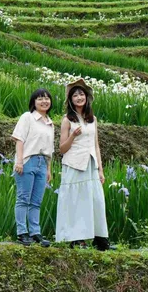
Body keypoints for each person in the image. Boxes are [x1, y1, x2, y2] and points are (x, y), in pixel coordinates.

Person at [56, 79, 110, 249]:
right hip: (74, 164)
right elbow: (62, 149)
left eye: (81, 94)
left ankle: (100, 238)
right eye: (75, 95)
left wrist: (100, 170)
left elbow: (96, 145)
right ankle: (77, 239)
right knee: (76, 201)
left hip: (90, 164)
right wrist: (73, 136)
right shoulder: (67, 120)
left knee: (95, 200)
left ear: (86, 97)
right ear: (71, 100)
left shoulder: (92, 119)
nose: (79, 97)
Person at [11, 89, 55, 247]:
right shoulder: (27, 117)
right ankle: (22, 233)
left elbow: (50, 149)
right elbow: (19, 140)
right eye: (40, 99)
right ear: (34, 102)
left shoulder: (50, 122)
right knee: (23, 198)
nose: (44, 101)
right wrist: (19, 161)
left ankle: (35, 232)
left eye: (47, 98)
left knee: (36, 201)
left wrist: (49, 169)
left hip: (42, 163)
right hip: (28, 161)